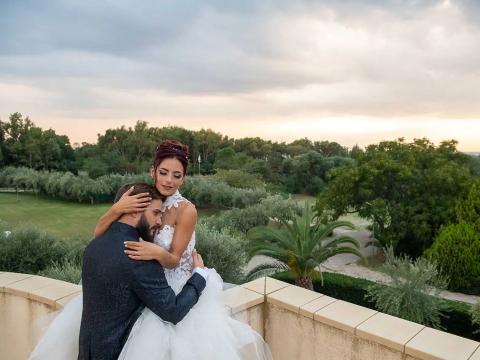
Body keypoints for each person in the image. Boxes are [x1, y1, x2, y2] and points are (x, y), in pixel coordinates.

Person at [96, 140, 272, 360]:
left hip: (176, 289)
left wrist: (156, 252)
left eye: (177, 175)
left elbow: (174, 259)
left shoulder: (186, 210)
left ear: (184, 177)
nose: (169, 180)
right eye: (164, 172)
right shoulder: (143, 198)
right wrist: (116, 209)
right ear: (153, 171)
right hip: (145, 288)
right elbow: (103, 235)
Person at [29, 183, 207, 360]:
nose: (159, 222)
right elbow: (173, 311)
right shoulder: (140, 258)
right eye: (155, 213)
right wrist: (198, 276)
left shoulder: (95, 245)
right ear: (134, 210)